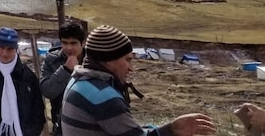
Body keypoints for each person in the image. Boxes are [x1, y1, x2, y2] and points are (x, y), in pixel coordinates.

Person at [61, 25, 216, 136]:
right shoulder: (102, 96)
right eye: (127, 60)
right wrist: (171, 130)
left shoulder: (79, 81)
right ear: (108, 60)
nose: (131, 68)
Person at [40, 22, 87, 136]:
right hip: (63, 124)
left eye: (73, 43)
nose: (69, 48)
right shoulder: (52, 60)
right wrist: (65, 70)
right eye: (64, 43)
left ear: (83, 43)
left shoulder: (94, 60)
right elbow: (47, 91)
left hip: (90, 122)